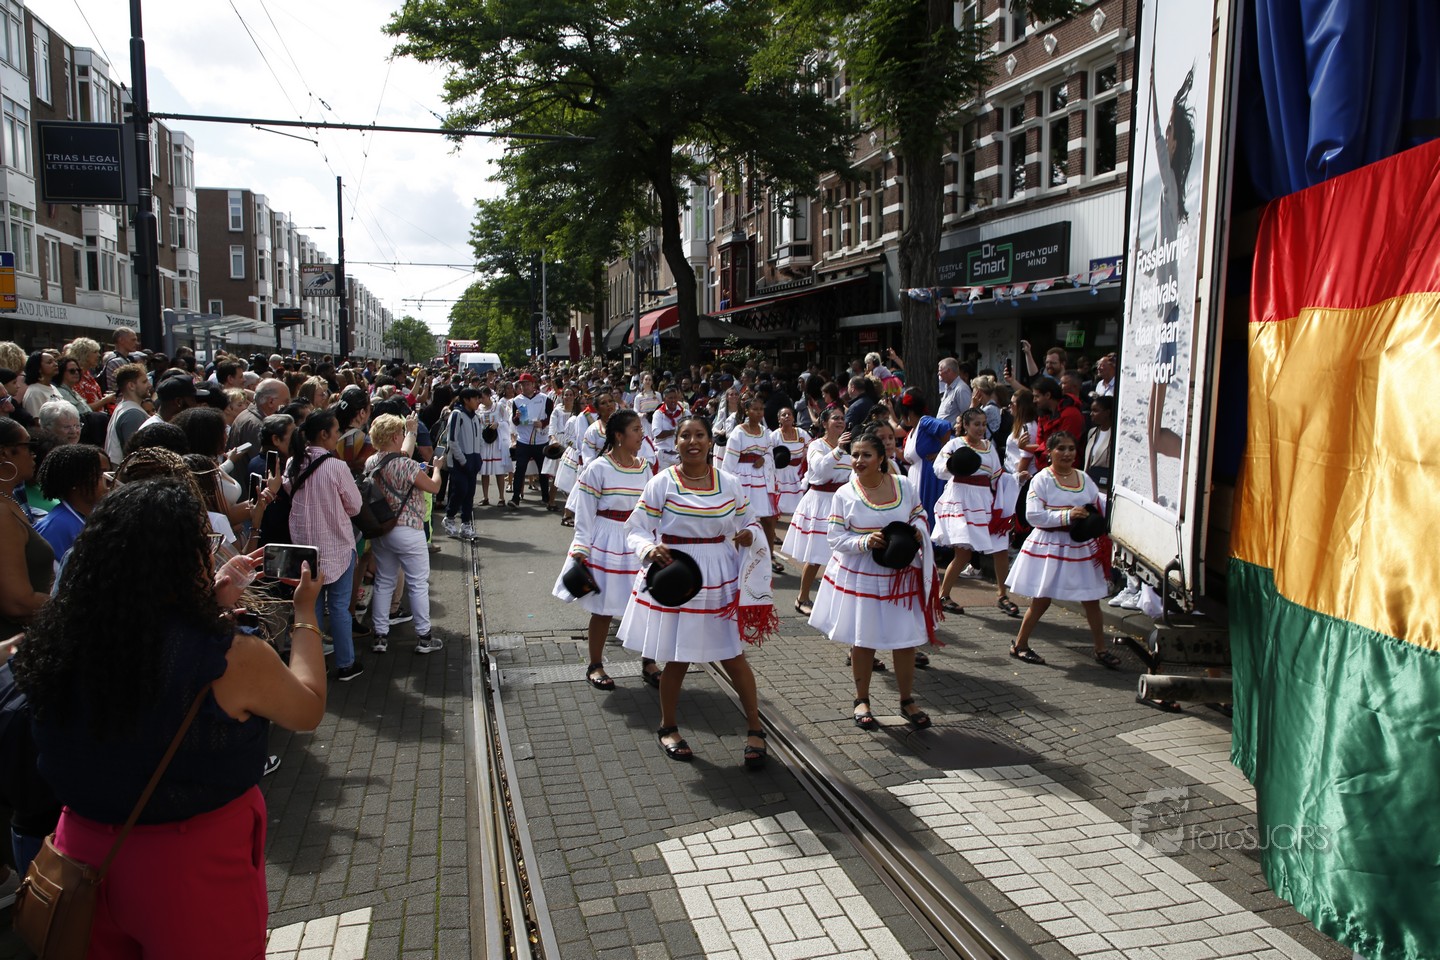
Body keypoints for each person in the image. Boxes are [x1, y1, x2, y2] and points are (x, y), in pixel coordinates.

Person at [13, 477, 326, 957]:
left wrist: (211, 604)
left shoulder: (61, 640)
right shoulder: (230, 657)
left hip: (80, 859)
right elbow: (307, 706)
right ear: (185, 560)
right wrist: (305, 613)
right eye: (205, 545)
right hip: (189, 869)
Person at [620, 415, 768, 767]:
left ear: (710, 441)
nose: (692, 442)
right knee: (678, 656)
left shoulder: (730, 482)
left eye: (699, 434)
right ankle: (668, 726)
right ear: (676, 443)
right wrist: (648, 549)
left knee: (733, 655)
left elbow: (750, 520)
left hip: (720, 574)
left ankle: (755, 727)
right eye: (685, 435)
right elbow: (635, 528)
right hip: (677, 573)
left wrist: (749, 533)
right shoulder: (661, 482)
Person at [808, 430, 936, 731]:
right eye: (855, 455)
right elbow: (835, 538)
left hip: (900, 575)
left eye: (866, 455)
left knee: (905, 640)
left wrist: (917, 531)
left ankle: (907, 700)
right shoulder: (845, 493)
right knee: (863, 640)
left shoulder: (904, 485)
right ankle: (861, 699)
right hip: (862, 574)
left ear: (881, 458)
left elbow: (920, 515)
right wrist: (865, 542)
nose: (858, 460)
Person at [552, 410, 660, 689]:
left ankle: (649, 662)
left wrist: (655, 542)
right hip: (606, 541)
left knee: (647, 605)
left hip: (636, 542)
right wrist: (581, 549)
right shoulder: (598, 468)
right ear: (619, 436)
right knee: (603, 609)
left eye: (641, 429)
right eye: (636, 430)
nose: (642, 435)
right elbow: (584, 513)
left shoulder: (644, 467)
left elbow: (651, 510)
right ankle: (595, 664)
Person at [1005, 431, 1117, 667]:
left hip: (1079, 546)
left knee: (1091, 599)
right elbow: (1033, 515)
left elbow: (1099, 504)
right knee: (1042, 600)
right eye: (1061, 449)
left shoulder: (1083, 478)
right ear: (1049, 452)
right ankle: (1020, 645)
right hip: (1051, 544)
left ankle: (1101, 649)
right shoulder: (1042, 479)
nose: (1067, 453)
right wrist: (1067, 515)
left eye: (1071, 448)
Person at [287, 410, 365, 680]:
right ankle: (346, 664)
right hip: (337, 546)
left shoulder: (293, 463)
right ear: (324, 435)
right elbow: (355, 506)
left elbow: (287, 490)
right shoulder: (336, 466)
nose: (338, 436)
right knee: (340, 608)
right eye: (336, 431)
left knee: (311, 608)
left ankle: (313, 666)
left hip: (304, 549)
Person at [364, 413, 443, 655]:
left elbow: (401, 454)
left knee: (384, 581)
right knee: (417, 583)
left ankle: (380, 636)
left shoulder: (371, 462)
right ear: (393, 437)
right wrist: (437, 470)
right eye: (400, 433)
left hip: (383, 529)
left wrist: (410, 431)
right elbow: (433, 487)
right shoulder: (407, 465)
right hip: (408, 529)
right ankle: (424, 637)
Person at [934, 409, 1021, 618]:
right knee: (963, 553)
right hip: (961, 499)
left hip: (985, 501)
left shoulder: (989, 447)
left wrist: (1017, 478)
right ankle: (943, 596)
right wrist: (954, 464)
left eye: (983, 424)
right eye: (976, 424)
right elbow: (939, 469)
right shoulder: (955, 444)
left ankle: (1002, 595)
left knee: (1000, 548)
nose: (981, 428)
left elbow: (997, 476)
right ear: (966, 425)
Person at [781, 408, 850, 617]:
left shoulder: (850, 446)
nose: (840, 421)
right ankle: (802, 598)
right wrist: (838, 450)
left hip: (842, 502)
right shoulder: (816, 445)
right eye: (835, 418)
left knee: (844, 555)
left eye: (842, 418)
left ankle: (838, 600)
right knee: (816, 555)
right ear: (824, 423)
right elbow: (820, 470)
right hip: (820, 502)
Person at [0, 418, 53, 637]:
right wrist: (72, 605)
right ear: (4, 453)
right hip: (14, 644)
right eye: (29, 446)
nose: (34, 454)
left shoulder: (9, 500)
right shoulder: (1, 512)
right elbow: (18, 603)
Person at [721, 393, 784, 573]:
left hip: (762, 479)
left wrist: (764, 459)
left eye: (761, 409)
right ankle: (738, 559)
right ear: (747, 410)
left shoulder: (765, 432)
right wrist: (727, 485)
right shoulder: (738, 432)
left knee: (768, 519)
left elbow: (769, 452)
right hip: (743, 478)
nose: (759, 412)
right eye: (755, 409)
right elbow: (729, 460)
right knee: (741, 519)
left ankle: (769, 557)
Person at [33, 443, 108, 565]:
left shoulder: (95, 517)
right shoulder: (56, 527)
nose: (109, 480)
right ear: (76, 480)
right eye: (100, 475)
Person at [442, 387, 484, 539]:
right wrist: (463, 460)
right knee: (460, 490)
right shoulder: (457, 414)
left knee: (470, 493)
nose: (478, 401)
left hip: (473, 460)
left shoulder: (476, 417)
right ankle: (449, 517)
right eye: (475, 398)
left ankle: (466, 524)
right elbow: (452, 440)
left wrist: (478, 458)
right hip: (459, 461)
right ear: (466, 400)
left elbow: (480, 439)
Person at [509, 373, 553, 509]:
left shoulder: (544, 398)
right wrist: (517, 417)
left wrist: (543, 423)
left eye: (528, 384)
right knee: (520, 469)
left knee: (543, 471)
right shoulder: (516, 400)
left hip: (541, 440)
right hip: (523, 440)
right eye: (522, 385)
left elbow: (551, 417)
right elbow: (515, 421)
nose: (525, 387)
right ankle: (515, 498)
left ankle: (545, 497)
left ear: (533, 384)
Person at [769, 406, 810, 518]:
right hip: (781, 471)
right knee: (782, 496)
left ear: (793, 418)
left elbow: (811, 444)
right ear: (779, 419)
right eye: (784, 415)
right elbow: (768, 451)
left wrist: (806, 451)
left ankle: (797, 515)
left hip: (798, 470)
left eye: (789, 414)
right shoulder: (775, 435)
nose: (787, 416)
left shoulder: (801, 433)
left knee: (799, 494)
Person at [473, 386, 510, 505]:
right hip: (484, 442)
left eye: (482, 397)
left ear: (489, 395)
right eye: (479, 398)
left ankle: (501, 497)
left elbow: (507, 421)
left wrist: (498, 424)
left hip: (496, 441)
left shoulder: (498, 407)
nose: (481, 400)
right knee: (484, 471)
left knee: (499, 471)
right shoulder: (478, 409)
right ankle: (485, 497)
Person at [650, 385, 687, 468]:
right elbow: (657, 434)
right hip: (663, 456)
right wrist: (677, 431)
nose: (673, 400)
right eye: (670, 398)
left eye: (675, 398)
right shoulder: (659, 413)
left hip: (679, 456)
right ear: (664, 399)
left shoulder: (684, 413)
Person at [1084, 395, 1115, 493]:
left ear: (1107, 412)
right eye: (1091, 410)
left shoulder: (1115, 435)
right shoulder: (1092, 432)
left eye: (1095, 410)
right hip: (1089, 486)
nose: (1091, 414)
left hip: (1105, 488)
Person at [21, 351, 62, 419]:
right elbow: (37, 420)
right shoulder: (34, 392)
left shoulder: (53, 387)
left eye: (55, 361)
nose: (55, 364)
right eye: (49, 362)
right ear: (39, 368)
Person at [936, 358, 970, 425]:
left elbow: (966, 414)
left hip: (952, 431)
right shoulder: (948, 387)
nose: (938, 373)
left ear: (948, 371)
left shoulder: (961, 389)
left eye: (940, 370)